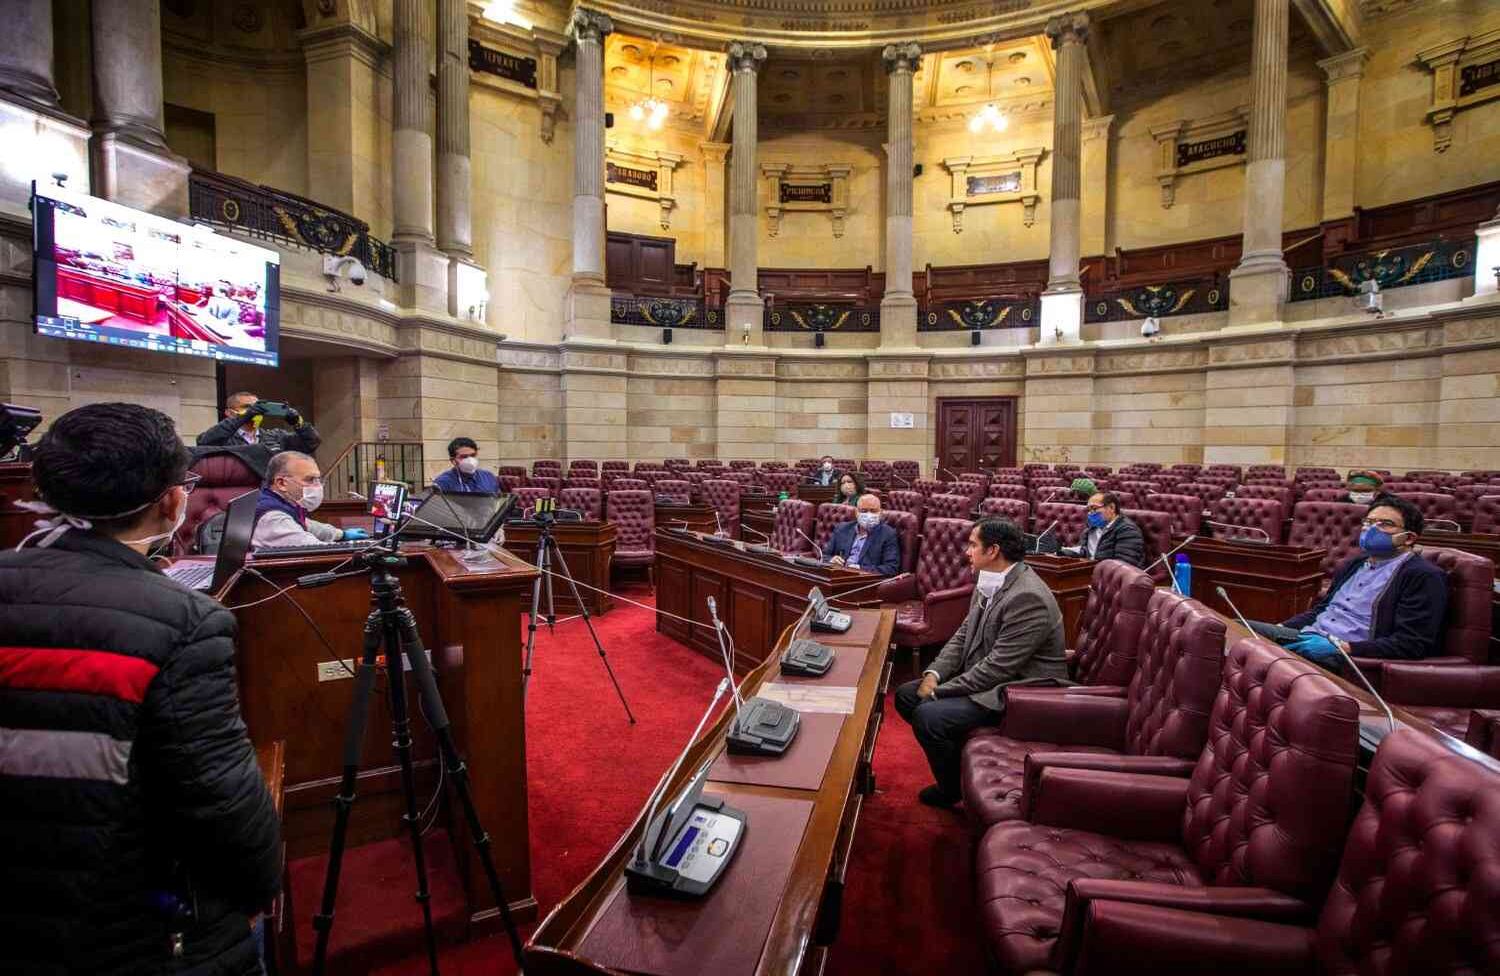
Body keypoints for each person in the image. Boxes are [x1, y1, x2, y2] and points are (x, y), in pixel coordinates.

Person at [0, 403, 281, 974]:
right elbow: (226, 808)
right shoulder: (185, 622)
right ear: (173, 500)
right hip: (132, 927)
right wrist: (258, 893)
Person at [893, 517, 1067, 808]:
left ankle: (951, 789)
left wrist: (939, 692)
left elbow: (999, 668)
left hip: (1019, 690)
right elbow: (962, 636)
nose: (967, 552)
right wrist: (934, 673)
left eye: (973, 545)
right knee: (907, 696)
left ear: (993, 550)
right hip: (987, 675)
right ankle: (957, 760)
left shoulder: (1028, 596)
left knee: (929, 716)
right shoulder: (989, 579)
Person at [1250, 495, 1448, 666]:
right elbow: (1323, 609)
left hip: (1348, 653)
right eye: (1369, 522)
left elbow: (1412, 643)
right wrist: (1282, 628)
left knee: (1264, 660)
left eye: (1385, 524)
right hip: (1311, 636)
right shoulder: (1356, 563)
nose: (1372, 529)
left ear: (1409, 538)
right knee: (1236, 630)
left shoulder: (1423, 576)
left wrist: (1344, 648)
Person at [250, 450, 367, 548]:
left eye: (318, 480)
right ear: (281, 483)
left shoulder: (284, 504)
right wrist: (357, 547)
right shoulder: (272, 517)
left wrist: (341, 534)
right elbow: (315, 550)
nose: (317, 486)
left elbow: (306, 525)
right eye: (310, 479)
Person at [197, 390, 321, 455]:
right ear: (229, 413)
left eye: (257, 406)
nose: (254, 410)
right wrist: (244, 417)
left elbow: (311, 443)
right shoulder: (224, 438)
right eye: (247, 407)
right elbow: (204, 442)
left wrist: (298, 423)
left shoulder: (275, 436)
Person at [823, 494, 901, 575]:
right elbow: (824, 555)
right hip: (837, 574)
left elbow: (891, 568)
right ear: (856, 512)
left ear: (880, 513)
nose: (868, 515)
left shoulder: (888, 534)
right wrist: (831, 560)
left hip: (863, 580)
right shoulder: (842, 528)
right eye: (864, 511)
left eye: (873, 511)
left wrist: (861, 569)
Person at [1062, 491, 1145, 568]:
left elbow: (1124, 565)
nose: (1090, 513)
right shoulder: (1092, 527)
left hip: (1108, 577)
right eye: (1089, 510)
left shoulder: (1128, 530)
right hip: (1087, 571)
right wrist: (1061, 551)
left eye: (1094, 509)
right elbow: (1084, 550)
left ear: (1111, 507)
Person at [433, 436, 501, 494]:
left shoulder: (488, 477)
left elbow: (498, 503)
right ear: (453, 461)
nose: (470, 460)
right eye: (464, 457)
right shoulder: (443, 482)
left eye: (473, 455)